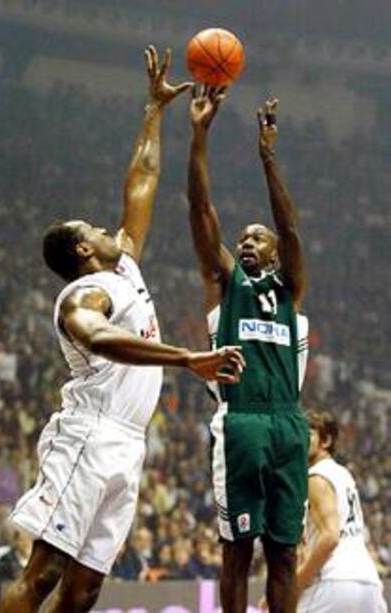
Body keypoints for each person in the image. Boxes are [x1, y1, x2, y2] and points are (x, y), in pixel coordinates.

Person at [0, 48, 245, 613]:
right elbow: (98, 337)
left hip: (127, 444)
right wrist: (185, 358)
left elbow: (143, 178)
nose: (111, 226)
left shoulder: (124, 266)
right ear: (84, 250)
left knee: (85, 592)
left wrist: (155, 111)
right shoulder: (81, 295)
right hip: (88, 433)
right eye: (95, 228)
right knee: (43, 574)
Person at [187, 86, 309, 613]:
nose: (245, 243)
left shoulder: (290, 288)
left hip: (288, 422)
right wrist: (200, 134)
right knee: (237, 549)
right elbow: (200, 207)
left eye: (256, 239)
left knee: (284, 554)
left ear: (276, 252)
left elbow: (291, 225)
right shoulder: (225, 282)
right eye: (241, 239)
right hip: (242, 421)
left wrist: (268, 159)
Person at [296, 410, 388, 612]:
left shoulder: (316, 476)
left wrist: (295, 586)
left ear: (326, 440)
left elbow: (330, 538)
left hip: (333, 581)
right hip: (368, 583)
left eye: (308, 433)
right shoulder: (343, 474)